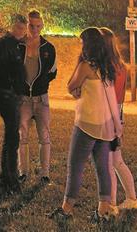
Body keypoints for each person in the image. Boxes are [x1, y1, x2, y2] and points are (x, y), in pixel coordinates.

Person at [47, 27, 123, 223]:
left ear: (87, 44)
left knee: (75, 165)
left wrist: (77, 81)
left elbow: (71, 85)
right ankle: (104, 211)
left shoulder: (86, 66)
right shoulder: (107, 66)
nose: (79, 45)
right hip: (104, 126)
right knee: (102, 167)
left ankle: (66, 209)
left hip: (86, 124)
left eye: (81, 42)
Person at [100, 27, 137, 212]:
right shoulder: (121, 65)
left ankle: (111, 205)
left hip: (108, 116)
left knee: (109, 163)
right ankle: (132, 199)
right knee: (116, 161)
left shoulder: (106, 66)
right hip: (118, 114)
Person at [18, 9, 57, 183]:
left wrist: (41, 85)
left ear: (42, 26)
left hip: (41, 98)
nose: (34, 29)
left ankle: (45, 174)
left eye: (37, 26)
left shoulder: (48, 48)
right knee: (22, 137)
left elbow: (52, 72)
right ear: (27, 25)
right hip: (23, 99)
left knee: (45, 137)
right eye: (31, 26)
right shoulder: (18, 46)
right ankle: (23, 172)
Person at [0, 14, 27, 196]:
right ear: (12, 26)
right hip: (8, 96)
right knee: (12, 138)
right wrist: (11, 88)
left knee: (11, 137)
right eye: (19, 28)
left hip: (12, 95)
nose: (23, 31)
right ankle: (10, 180)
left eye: (24, 28)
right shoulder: (5, 45)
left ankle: (7, 177)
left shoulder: (12, 44)